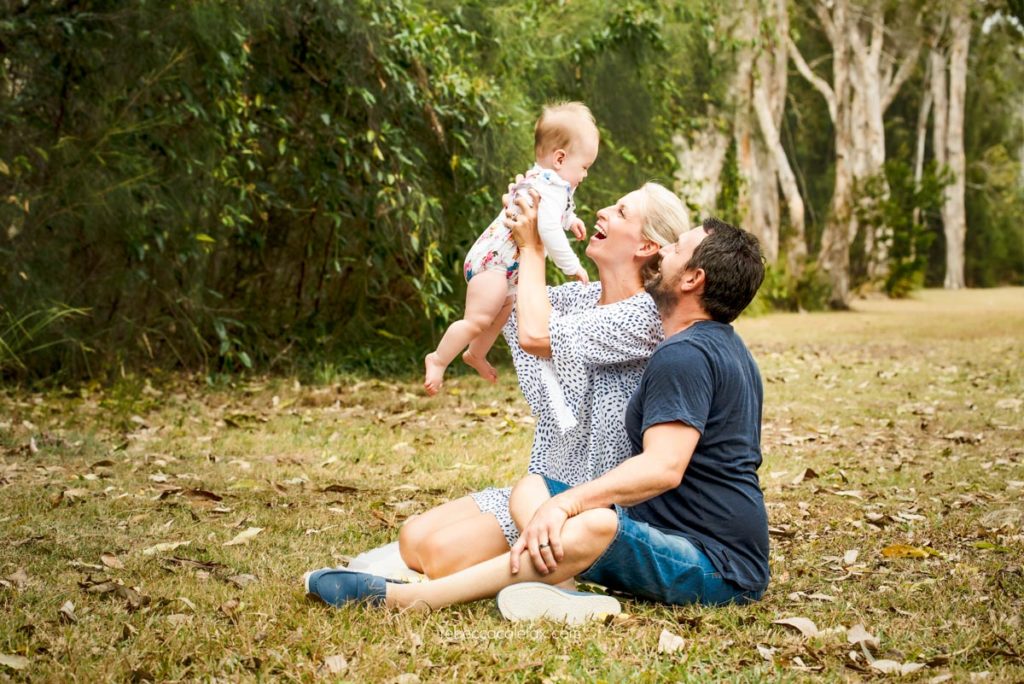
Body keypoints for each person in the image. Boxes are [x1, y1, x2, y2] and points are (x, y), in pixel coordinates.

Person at [304, 199, 770, 620]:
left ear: (693, 278)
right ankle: (562, 586)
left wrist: (566, 503)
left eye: (676, 249)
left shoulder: (684, 351)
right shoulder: (718, 347)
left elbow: (664, 468)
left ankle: (407, 600)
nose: (664, 254)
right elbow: (515, 308)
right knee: (532, 487)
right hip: (663, 529)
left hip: (719, 566)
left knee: (594, 521)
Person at [399, 181, 690, 579]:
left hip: (589, 504)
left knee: (436, 556)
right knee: (410, 539)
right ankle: (529, 556)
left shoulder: (647, 317)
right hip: (543, 484)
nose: (603, 211)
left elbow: (536, 335)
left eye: (621, 212)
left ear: (645, 247)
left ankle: (558, 568)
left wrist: (535, 248)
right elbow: (511, 295)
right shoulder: (580, 298)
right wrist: (513, 226)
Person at [423, 102, 597, 397]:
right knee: (478, 318)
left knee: (503, 311)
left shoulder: (549, 184)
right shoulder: (548, 187)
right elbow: (549, 229)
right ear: (559, 158)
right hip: (493, 263)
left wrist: (572, 220)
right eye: (584, 167)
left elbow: (556, 216)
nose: (585, 175)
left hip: (508, 268)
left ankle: (475, 353)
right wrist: (571, 266)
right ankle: (438, 359)